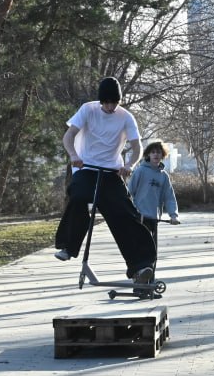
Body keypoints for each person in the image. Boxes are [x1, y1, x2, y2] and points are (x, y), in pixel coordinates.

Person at [53, 77, 157, 284]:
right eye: (107, 102)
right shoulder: (88, 110)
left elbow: (137, 148)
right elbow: (68, 136)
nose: (110, 107)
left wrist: (129, 166)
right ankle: (68, 247)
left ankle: (140, 266)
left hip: (111, 172)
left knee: (124, 214)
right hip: (86, 168)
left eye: (114, 103)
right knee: (79, 197)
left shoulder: (126, 117)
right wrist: (74, 155)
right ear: (101, 100)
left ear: (119, 101)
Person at [128, 141, 181, 242]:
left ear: (163, 155)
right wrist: (129, 212)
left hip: (154, 217)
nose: (156, 154)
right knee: (141, 246)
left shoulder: (164, 176)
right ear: (148, 154)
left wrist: (173, 215)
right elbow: (129, 193)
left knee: (152, 249)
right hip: (139, 217)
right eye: (153, 152)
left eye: (158, 152)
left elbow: (169, 197)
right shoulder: (140, 171)